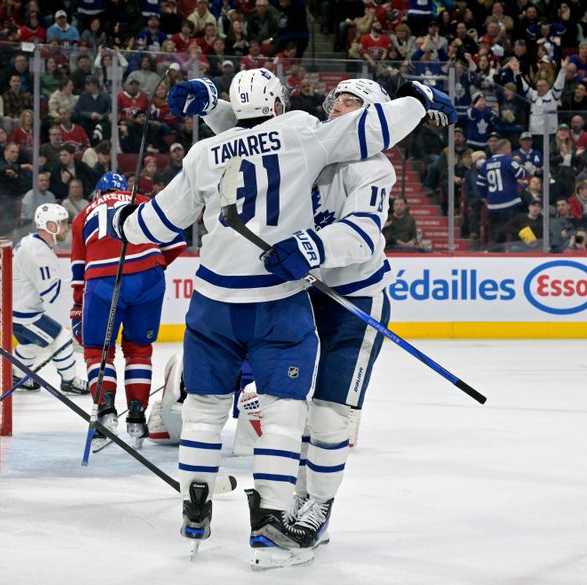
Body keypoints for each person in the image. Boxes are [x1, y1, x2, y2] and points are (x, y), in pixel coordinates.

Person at [111, 69, 452, 568]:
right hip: (302, 291)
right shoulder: (314, 138)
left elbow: (364, 238)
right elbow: (256, 141)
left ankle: (317, 507)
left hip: (353, 301)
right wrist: (212, 104)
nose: (336, 110)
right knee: (290, 408)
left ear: (375, 118)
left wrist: (313, 245)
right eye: (337, 101)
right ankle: (283, 501)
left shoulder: (371, 168)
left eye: (352, 105)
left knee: (330, 416)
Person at [69, 172, 187, 450]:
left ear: (98, 193)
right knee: (138, 349)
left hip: (103, 280)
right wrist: (156, 264)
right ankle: (137, 418)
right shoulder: (144, 202)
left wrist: (77, 310)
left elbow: (78, 273)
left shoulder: (83, 214)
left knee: (98, 350)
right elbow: (178, 242)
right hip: (149, 278)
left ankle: (106, 415)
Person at [12, 203, 86, 393]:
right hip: (25, 316)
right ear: (49, 225)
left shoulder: (31, 241)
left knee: (29, 346)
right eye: (62, 223)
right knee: (62, 337)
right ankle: (70, 381)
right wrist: (84, 283)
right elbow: (51, 293)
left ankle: (17, 376)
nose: (66, 228)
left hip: (17, 312)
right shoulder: (39, 253)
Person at [478, 138, 528, 244]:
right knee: (513, 228)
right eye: (509, 148)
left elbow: (480, 184)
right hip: (509, 202)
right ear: (506, 149)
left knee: (495, 232)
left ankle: (494, 253)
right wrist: (524, 168)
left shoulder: (486, 164)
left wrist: (484, 198)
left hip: (492, 204)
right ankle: (520, 249)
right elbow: (522, 174)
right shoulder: (508, 161)